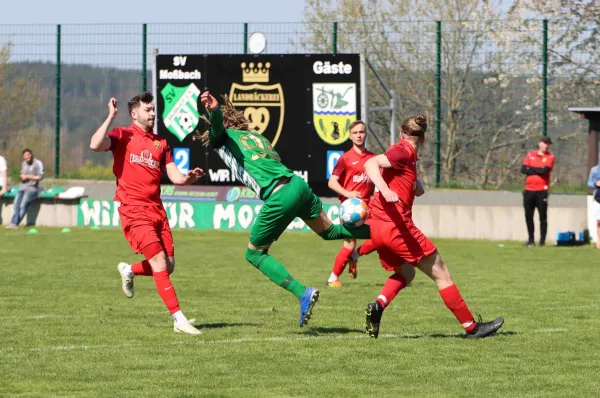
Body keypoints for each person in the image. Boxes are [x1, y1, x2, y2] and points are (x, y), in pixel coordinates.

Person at [197, 92, 370, 327]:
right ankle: (383, 231)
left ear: (226, 123)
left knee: (254, 254)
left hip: (279, 195)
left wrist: (214, 111)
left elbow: (217, 128)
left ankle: (302, 293)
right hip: (297, 185)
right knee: (330, 232)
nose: (209, 132)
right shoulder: (257, 138)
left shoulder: (225, 138)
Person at [362, 114, 504, 339]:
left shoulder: (406, 158)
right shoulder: (403, 150)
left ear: (401, 133)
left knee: (406, 273)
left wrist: (412, 184)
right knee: (442, 273)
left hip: (377, 226)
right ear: (424, 139)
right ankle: (472, 328)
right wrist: (385, 189)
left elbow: (394, 171)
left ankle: (378, 305)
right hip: (396, 228)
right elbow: (371, 163)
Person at [90, 92, 204, 335]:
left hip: (157, 210)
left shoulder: (161, 143)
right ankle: (178, 319)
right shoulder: (123, 134)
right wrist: (110, 117)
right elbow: (95, 145)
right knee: (159, 262)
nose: (153, 113)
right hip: (133, 210)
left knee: (168, 266)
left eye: (154, 109)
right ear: (134, 114)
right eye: (148, 109)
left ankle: (129, 270)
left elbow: (175, 177)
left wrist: (188, 178)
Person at [326, 120, 376, 287]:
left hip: (368, 208)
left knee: (381, 237)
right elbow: (332, 182)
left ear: (366, 134)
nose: (359, 135)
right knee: (349, 243)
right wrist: (348, 193)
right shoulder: (345, 158)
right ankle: (333, 278)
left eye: (361, 132)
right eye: (355, 133)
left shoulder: (373, 158)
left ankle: (355, 256)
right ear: (350, 136)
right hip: (349, 208)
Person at [521, 137, 555, 247]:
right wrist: (536, 170)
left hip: (542, 190)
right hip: (529, 190)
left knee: (542, 216)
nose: (546, 145)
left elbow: (544, 171)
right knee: (528, 216)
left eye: (548, 144)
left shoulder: (550, 157)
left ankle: (542, 241)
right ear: (539, 143)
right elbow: (523, 169)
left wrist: (530, 169)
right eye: (544, 143)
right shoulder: (531, 155)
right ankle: (531, 240)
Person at [6, 149, 44, 229]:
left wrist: (28, 176)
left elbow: (41, 177)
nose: (27, 157)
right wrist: (22, 177)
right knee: (16, 204)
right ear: (23, 157)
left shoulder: (37, 163)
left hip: (32, 189)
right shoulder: (24, 163)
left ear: (31, 154)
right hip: (22, 187)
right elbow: (23, 174)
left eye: (28, 154)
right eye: (25, 155)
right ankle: (14, 224)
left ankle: (14, 223)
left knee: (23, 205)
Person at [587, 155, 600, 249]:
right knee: (599, 222)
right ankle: (599, 242)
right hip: (598, 198)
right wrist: (596, 183)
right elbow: (589, 183)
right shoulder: (595, 170)